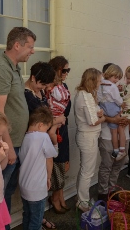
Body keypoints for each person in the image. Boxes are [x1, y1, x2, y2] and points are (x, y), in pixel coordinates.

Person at [0, 27, 36, 229]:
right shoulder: (0, 69)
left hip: (16, 142)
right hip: (6, 145)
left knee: (8, 190)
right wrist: (9, 147)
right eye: (30, 47)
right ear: (17, 45)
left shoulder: (12, 67)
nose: (32, 51)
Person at [24, 61, 61, 229]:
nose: (45, 88)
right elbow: (51, 158)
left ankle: (38, 221)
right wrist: (56, 122)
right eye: (42, 84)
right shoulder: (27, 95)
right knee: (34, 216)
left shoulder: (39, 93)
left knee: (30, 213)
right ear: (33, 78)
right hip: (41, 145)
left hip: (37, 144)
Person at [19, 107, 58, 230]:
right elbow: (51, 157)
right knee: (36, 221)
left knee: (27, 215)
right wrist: (49, 177)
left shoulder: (24, 137)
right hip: (37, 188)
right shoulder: (43, 137)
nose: (46, 132)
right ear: (41, 125)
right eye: (47, 129)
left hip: (24, 186)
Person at [74, 68, 106, 211]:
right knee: (87, 172)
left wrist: (99, 113)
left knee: (85, 170)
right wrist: (104, 118)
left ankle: (81, 199)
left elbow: (92, 114)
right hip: (88, 137)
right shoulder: (85, 95)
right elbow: (92, 121)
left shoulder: (85, 94)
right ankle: (83, 202)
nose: (100, 83)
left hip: (88, 136)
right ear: (92, 81)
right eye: (99, 80)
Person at [47, 56, 72, 214]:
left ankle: (60, 194)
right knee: (56, 162)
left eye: (68, 70)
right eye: (64, 70)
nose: (66, 73)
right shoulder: (49, 88)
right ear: (56, 69)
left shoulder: (65, 86)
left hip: (63, 127)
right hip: (53, 127)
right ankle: (55, 197)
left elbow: (67, 110)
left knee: (63, 162)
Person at [98, 64, 126, 160]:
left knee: (113, 132)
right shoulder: (113, 86)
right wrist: (122, 104)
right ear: (110, 74)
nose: (117, 80)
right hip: (113, 108)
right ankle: (122, 149)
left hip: (104, 108)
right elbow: (117, 99)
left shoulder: (100, 84)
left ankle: (115, 150)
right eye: (116, 77)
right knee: (121, 128)